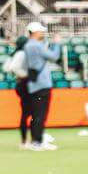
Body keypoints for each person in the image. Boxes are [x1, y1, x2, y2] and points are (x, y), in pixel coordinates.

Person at [12, 20, 60, 151]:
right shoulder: (35, 46)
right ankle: (37, 141)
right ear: (34, 32)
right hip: (41, 84)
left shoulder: (29, 46)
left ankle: (37, 140)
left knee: (36, 114)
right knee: (40, 114)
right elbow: (54, 56)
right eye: (41, 31)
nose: (43, 33)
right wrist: (56, 43)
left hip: (34, 84)